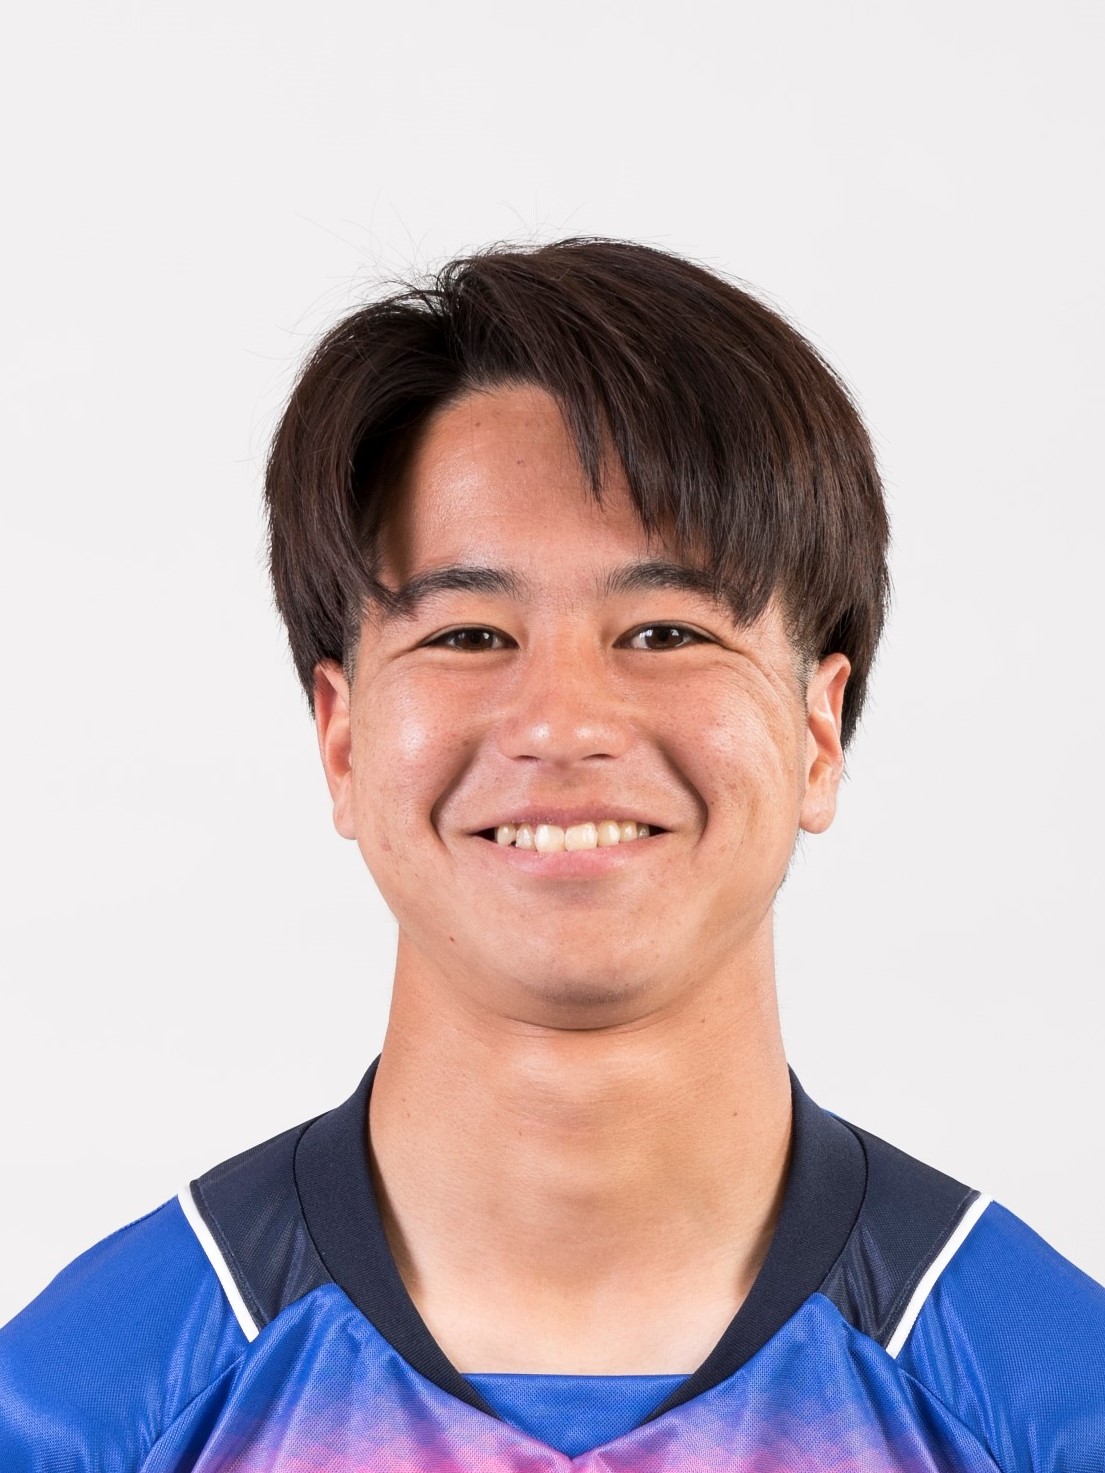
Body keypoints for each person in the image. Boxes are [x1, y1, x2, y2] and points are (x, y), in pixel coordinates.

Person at [1, 238, 1101, 1472]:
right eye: (470, 634)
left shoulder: (1052, 1405)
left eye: (664, 631)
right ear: (343, 739)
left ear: (815, 731)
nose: (563, 723)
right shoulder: (77, 1412)